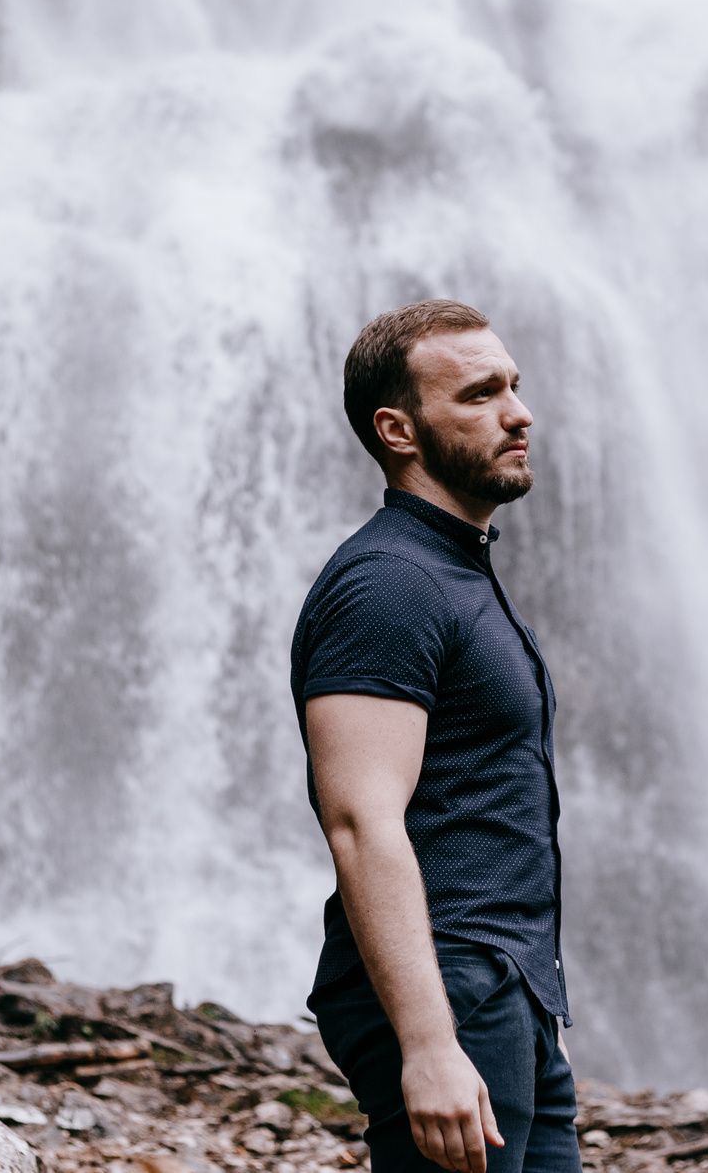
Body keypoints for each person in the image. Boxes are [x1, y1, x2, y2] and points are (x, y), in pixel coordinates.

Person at [291, 299, 576, 1173]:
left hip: (507, 986)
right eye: (481, 393)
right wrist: (429, 1042)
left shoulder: (455, 569)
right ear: (399, 429)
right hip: (452, 985)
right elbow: (359, 821)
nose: (519, 413)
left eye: (516, 387)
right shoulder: (390, 584)